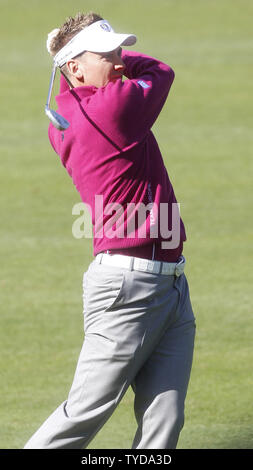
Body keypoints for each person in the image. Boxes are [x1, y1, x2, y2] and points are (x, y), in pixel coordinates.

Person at [24, 12, 196, 449]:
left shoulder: (68, 113)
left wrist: (73, 57)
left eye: (120, 51)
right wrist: (73, 54)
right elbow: (160, 69)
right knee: (83, 414)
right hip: (130, 287)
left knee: (165, 422)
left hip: (169, 282)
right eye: (108, 54)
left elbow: (77, 86)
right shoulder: (115, 108)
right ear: (76, 67)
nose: (120, 62)